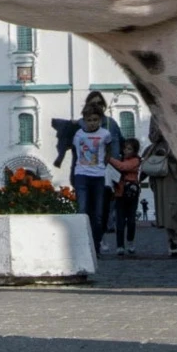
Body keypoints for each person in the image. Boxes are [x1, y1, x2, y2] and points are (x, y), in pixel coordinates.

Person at [146, 122, 177, 258]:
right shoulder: (156, 112)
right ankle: (172, 238)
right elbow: (152, 137)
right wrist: (162, 129)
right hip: (166, 161)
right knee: (168, 203)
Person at [71, 106, 115, 256]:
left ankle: (96, 244)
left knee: (98, 214)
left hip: (98, 176)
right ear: (84, 121)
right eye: (89, 120)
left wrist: (103, 164)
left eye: (95, 120)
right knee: (82, 210)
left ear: (100, 120)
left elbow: (109, 150)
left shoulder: (105, 134)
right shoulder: (79, 135)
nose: (92, 123)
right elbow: (76, 152)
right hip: (81, 175)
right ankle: (83, 244)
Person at [108, 138, 142, 256]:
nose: (126, 151)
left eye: (129, 149)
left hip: (131, 193)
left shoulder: (135, 160)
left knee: (131, 220)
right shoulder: (120, 159)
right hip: (120, 192)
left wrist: (109, 158)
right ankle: (120, 245)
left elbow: (123, 167)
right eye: (125, 148)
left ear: (134, 151)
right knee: (120, 220)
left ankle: (130, 241)